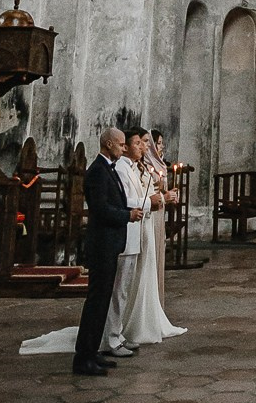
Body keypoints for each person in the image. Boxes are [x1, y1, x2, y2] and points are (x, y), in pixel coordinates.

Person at [71, 127, 143, 377]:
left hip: (110, 244)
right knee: (96, 302)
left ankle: (92, 353)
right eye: (121, 144)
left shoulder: (107, 169)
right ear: (109, 143)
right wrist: (128, 215)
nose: (124, 149)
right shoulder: (98, 172)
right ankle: (83, 359)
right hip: (102, 244)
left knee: (102, 302)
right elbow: (101, 209)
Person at [110, 127, 187, 350]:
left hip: (140, 227)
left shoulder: (135, 167)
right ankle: (114, 335)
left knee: (126, 286)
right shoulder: (122, 169)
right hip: (131, 228)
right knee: (120, 288)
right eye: (139, 143)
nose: (145, 147)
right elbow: (128, 200)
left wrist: (158, 198)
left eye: (146, 143)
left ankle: (119, 332)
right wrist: (156, 199)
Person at [144, 128, 179, 307]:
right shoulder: (145, 165)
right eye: (158, 143)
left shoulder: (160, 165)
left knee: (158, 255)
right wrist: (163, 197)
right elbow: (146, 193)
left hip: (159, 214)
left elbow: (160, 191)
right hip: (148, 214)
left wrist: (169, 194)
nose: (161, 146)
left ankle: (156, 304)